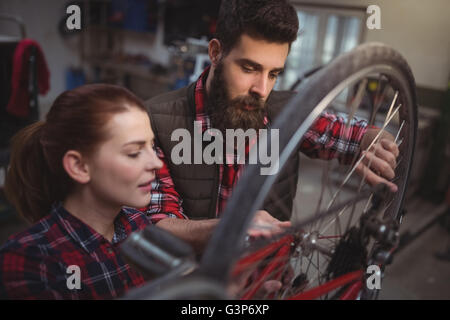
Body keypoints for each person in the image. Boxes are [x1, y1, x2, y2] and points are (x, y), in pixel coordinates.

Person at [143, 0, 400, 253]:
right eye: (249, 68)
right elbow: (157, 223)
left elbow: (355, 134)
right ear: (215, 53)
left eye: (274, 74)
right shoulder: (156, 120)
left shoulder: (289, 112)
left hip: (267, 279)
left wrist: (375, 141)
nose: (262, 90)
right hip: (195, 283)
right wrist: (232, 228)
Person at [0, 84, 163, 299]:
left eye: (152, 146)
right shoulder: (30, 259)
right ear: (79, 166)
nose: (157, 163)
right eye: (134, 152)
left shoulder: (140, 226)